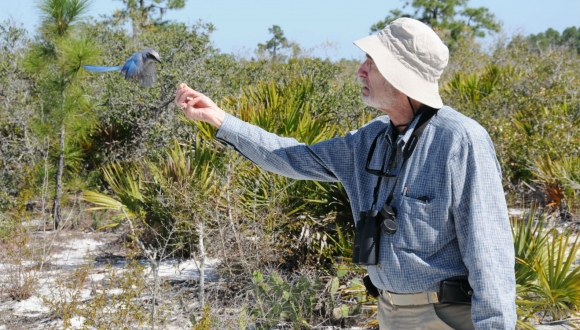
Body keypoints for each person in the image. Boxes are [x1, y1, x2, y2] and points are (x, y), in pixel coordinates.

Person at [174, 17, 516, 330]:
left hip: (447, 317)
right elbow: (291, 157)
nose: (360, 70)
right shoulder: (368, 139)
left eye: (372, 63)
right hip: (389, 314)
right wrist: (221, 121)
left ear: (401, 76)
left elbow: (489, 253)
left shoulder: (461, 140)